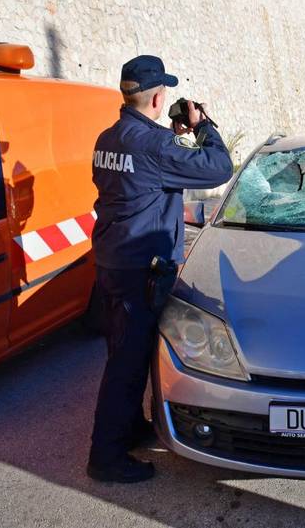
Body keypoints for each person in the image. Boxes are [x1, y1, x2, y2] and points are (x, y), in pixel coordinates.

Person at [87, 55, 233, 483]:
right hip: (140, 268)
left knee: (122, 352)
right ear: (157, 97)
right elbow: (218, 168)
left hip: (113, 262)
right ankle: (106, 457)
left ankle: (128, 428)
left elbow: (138, 177)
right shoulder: (153, 147)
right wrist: (205, 126)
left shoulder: (108, 138)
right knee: (128, 364)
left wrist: (171, 137)